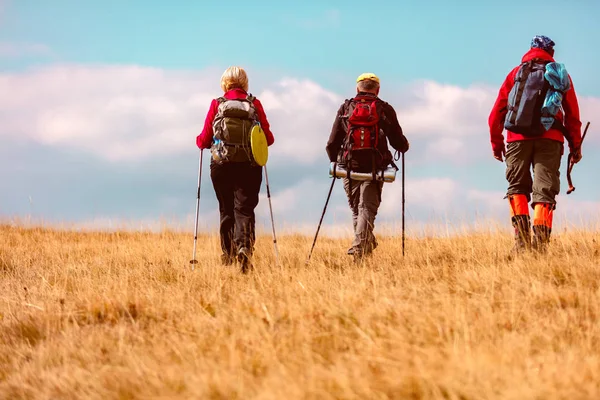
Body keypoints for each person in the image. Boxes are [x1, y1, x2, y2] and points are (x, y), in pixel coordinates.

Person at [488, 35, 583, 253]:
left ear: (530, 50)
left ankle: (521, 242)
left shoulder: (516, 74)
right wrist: (575, 146)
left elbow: (496, 114)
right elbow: (573, 115)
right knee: (544, 192)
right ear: (551, 53)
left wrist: (497, 144)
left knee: (517, 188)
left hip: (516, 140)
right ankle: (540, 247)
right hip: (550, 139)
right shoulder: (560, 75)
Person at [196, 66, 275, 272]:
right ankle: (244, 248)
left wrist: (200, 142)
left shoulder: (217, 104)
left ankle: (228, 254)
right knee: (245, 209)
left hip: (221, 165)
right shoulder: (254, 104)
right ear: (245, 83)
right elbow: (268, 139)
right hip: (249, 165)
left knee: (226, 209)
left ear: (224, 83)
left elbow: (204, 139)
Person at [326, 73, 410, 261]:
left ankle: (360, 251)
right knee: (365, 209)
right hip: (375, 167)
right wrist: (404, 146)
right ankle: (362, 246)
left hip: (349, 165)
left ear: (357, 88)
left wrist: (334, 160)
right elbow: (397, 140)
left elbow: (332, 141)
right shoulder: (384, 109)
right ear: (377, 89)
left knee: (359, 209)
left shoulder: (346, 108)